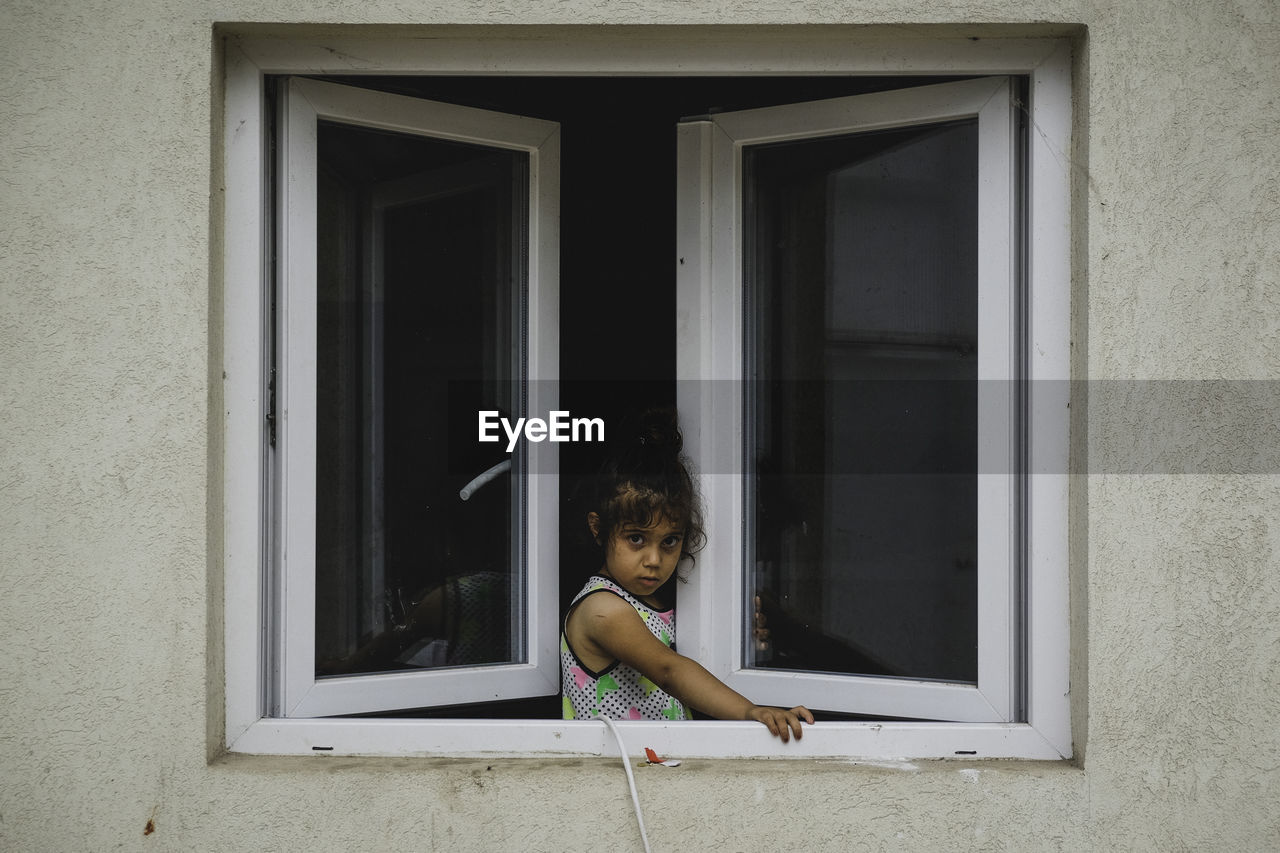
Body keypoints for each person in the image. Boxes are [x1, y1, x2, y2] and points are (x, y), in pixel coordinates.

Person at [560, 409, 814, 741]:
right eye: (636, 538)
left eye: (669, 541)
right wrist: (752, 711)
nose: (654, 559)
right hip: (618, 776)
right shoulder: (602, 610)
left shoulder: (654, 601)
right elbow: (669, 671)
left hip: (658, 768)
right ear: (598, 529)